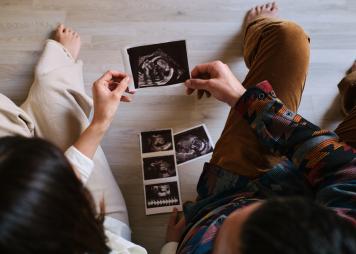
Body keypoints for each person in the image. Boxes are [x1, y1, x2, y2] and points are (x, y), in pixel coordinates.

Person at [161, 2, 356, 254]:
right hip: (328, 181)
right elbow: (345, 167)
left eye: (220, 243)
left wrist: (171, 246)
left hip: (229, 189)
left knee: (287, 37)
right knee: (289, 38)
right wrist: (246, 101)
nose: (243, 211)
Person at [0, 25, 147, 253]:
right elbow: (65, 182)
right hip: (102, 222)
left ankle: (29, 114)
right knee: (50, 89)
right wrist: (100, 121)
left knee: (46, 93)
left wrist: (100, 121)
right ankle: (56, 72)